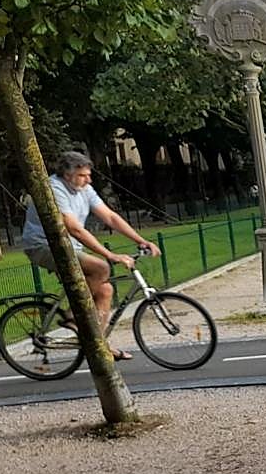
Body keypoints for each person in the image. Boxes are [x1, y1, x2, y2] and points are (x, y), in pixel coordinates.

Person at [20, 151, 161, 361]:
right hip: (43, 246)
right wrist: (110, 255)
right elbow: (74, 229)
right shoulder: (54, 189)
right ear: (67, 174)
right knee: (101, 268)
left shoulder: (84, 188)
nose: (89, 180)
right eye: (83, 175)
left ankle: (98, 345)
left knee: (105, 290)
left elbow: (110, 217)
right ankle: (72, 316)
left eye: (89, 175)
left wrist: (141, 240)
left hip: (69, 247)